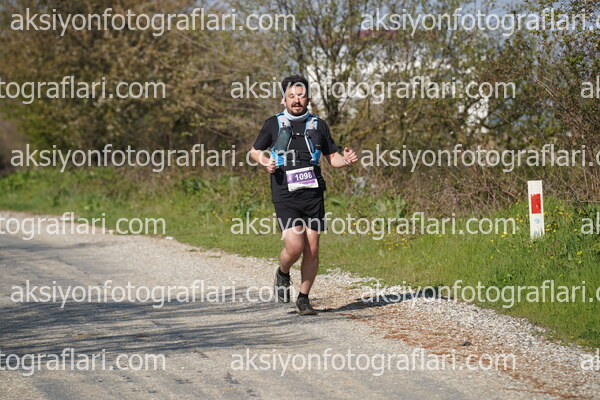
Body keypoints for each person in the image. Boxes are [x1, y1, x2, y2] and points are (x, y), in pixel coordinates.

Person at [249, 75, 359, 315]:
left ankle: (303, 298)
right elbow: (255, 151)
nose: (296, 100)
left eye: (301, 96)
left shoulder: (319, 125)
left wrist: (346, 160)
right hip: (284, 192)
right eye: (291, 96)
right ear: (283, 99)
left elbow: (332, 158)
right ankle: (283, 272)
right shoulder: (273, 123)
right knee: (295, 245)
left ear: (308, 98)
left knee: (313, 248)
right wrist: (265, 161)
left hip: (313, 193)